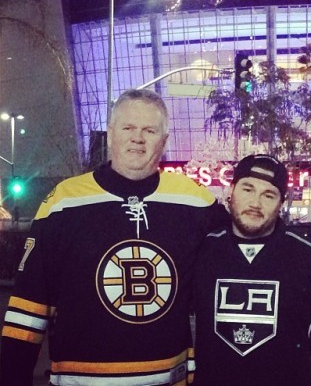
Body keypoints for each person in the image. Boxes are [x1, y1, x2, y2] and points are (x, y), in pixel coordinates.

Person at [0, 89, 227, 386]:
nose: (138, 138)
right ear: (110, 133)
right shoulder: (63, 202)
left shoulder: (194, 201)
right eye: (128, 128)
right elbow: (29, 305)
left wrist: (298, 256)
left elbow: (245, 245)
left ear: (164, 140)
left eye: (149, 130)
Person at [192, 154, 311, 386]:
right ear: (231, 190)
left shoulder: (308, 256)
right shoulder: (202, 251)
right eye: (248, 189)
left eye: (269, 195)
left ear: (281, 203)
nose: (256, 203)